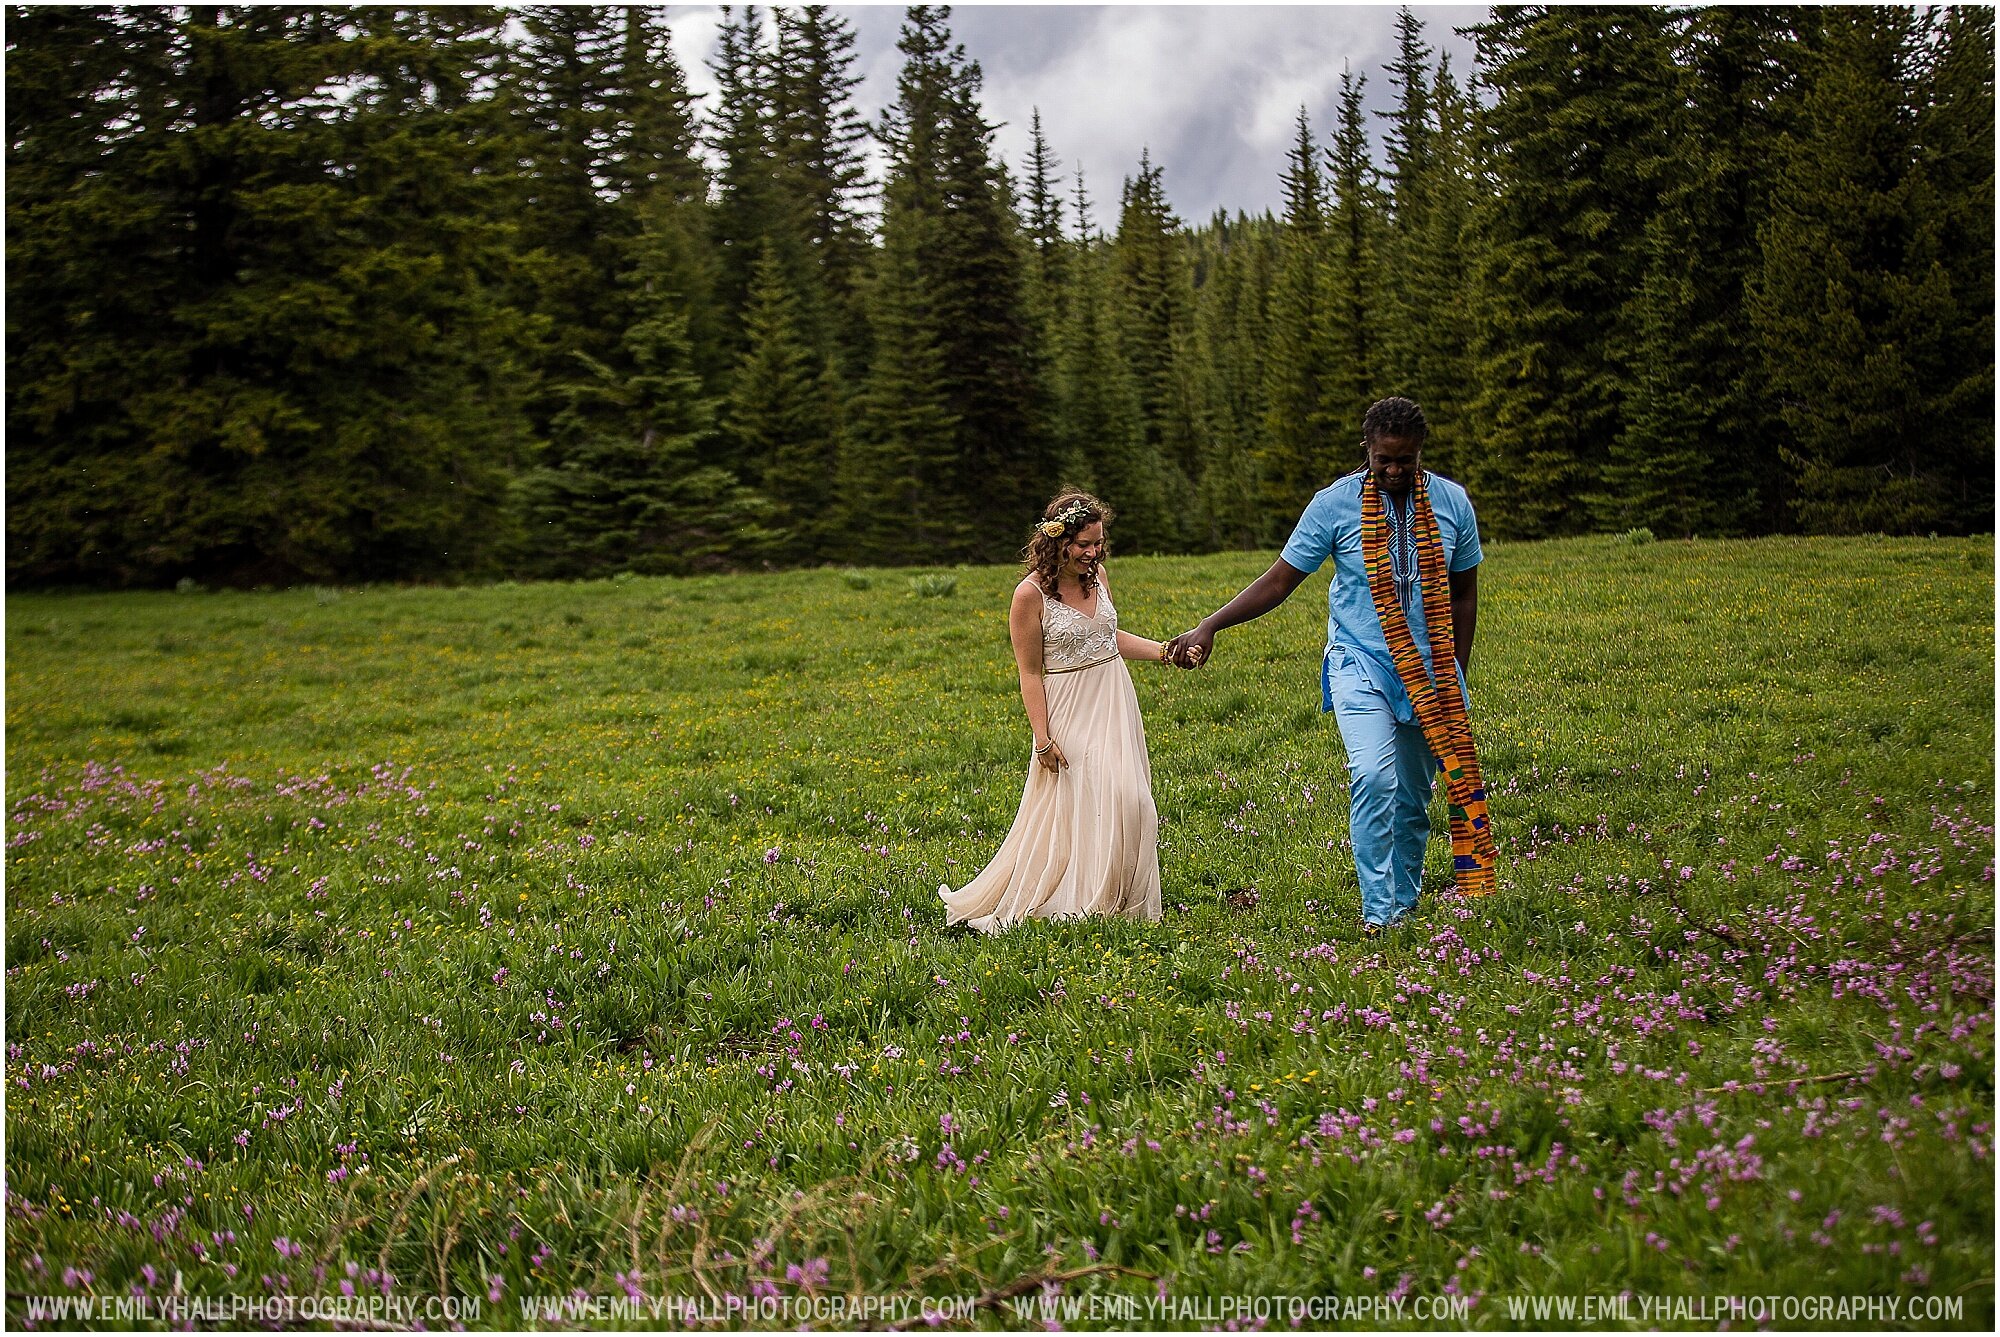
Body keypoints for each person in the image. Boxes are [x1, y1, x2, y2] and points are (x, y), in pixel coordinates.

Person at [1165, 397, 1496, 936]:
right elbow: (1279, 582)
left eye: (1404, 461)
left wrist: (1454, 671)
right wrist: (1211, 624)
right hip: (1359, 661)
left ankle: (1405, 901)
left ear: (1420, 455)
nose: (1393, 471)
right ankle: (1378, 913)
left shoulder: (1452, 503)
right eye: (1383, 459)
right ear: (1365, 450)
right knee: (1371, 774)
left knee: (1414, 797)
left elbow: (1464, 594)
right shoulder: (1333, 506)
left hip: (1432, 671)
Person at [940, 492, 1190, 933]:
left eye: (1098, 543)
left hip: (1112, 697)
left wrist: (1165, 652)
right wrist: (1042, 738)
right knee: (1089, 803)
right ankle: (1081, 901)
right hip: (1067, 707)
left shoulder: (1099, 577)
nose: (1093, 553)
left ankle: (1118, 899)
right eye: (1084, 545)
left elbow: (1107, 636)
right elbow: (1030, 673)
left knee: (1132, 800)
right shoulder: (1029, 595)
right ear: (1057, 541)